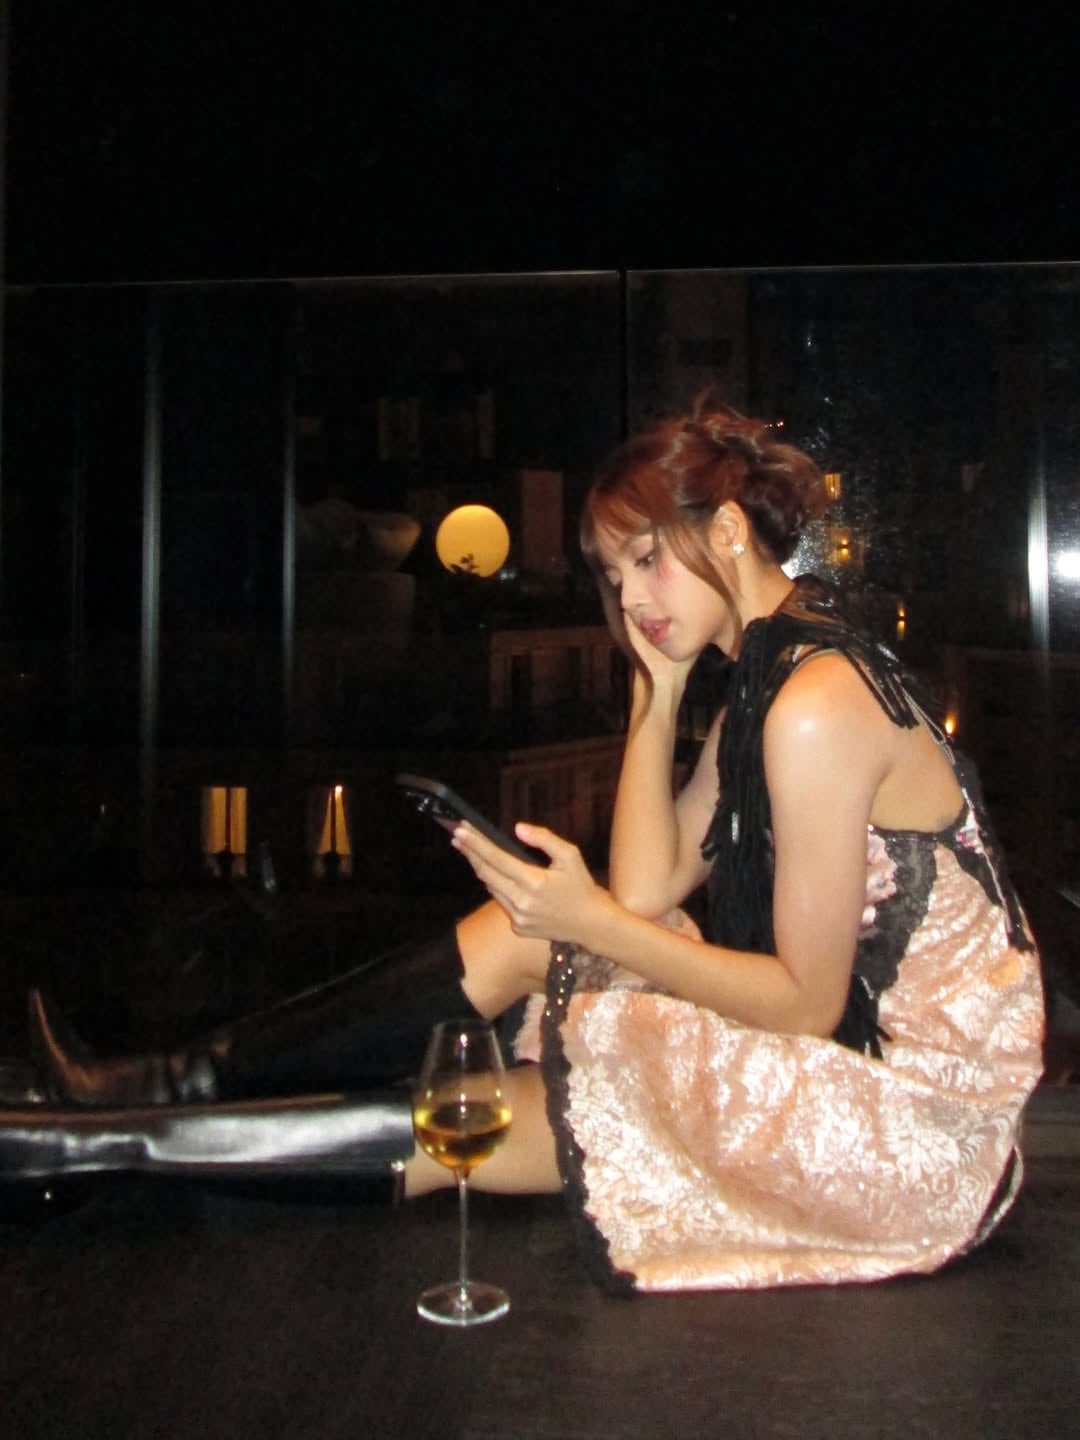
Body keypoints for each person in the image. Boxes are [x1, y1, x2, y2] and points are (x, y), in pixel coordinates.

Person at [5, 405, 1045, 1292]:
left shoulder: (815, 703)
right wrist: (657, 697)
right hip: (839, 1056)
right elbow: (649, 884)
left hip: (907, 1121)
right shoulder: (773, 676)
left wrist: (592, 922)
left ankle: (89, 1144)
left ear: (728, 530)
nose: (630, 599)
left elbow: (804, 1003)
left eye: (648, 559)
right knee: (529, 936)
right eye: (613, 574)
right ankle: (146, 1094)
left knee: (528, 1097)